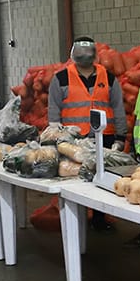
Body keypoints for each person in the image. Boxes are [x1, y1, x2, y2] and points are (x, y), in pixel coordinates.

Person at [48, 36, 127, 230]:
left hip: (103, 137)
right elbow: (53, 110)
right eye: (80, 53)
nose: (84, 56)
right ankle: (77, 222)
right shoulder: (61, 78)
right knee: (75, 180)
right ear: (73, 55)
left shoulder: (107, 77)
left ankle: (99, 218)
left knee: (101, 180)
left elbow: (118, 107)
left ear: (94, 55)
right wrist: (55, 135)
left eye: (88, 53)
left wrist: (121, 137)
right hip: (74, 139)